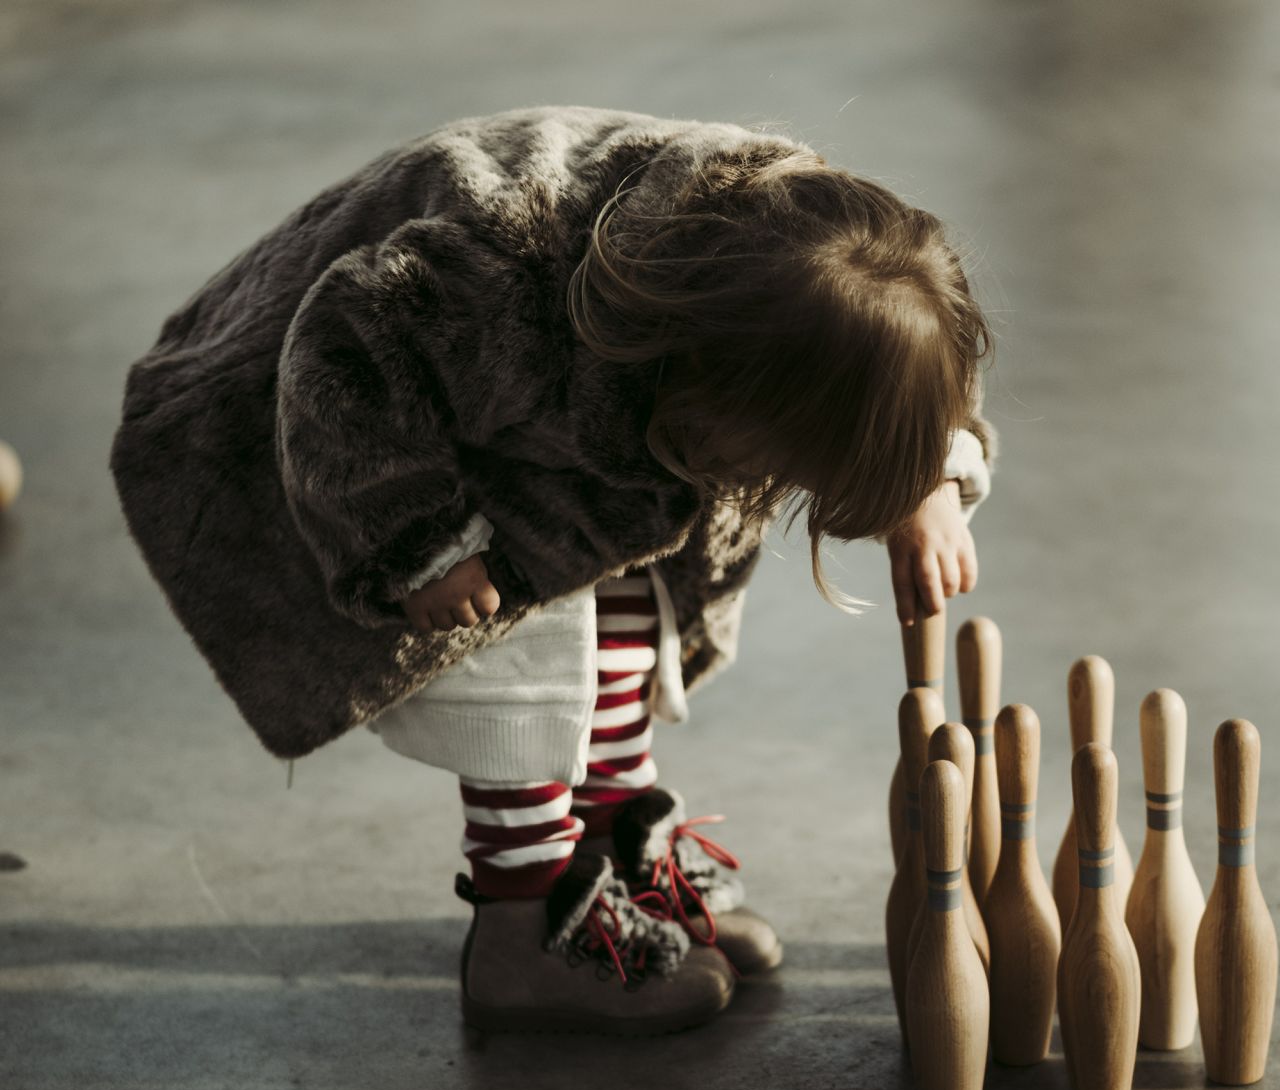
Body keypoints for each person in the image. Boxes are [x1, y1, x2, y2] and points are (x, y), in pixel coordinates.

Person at [110, 103, 996, 1038]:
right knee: (526, 673)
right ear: (721, 386)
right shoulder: (509, 279)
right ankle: (523, 927)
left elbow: (907, 368)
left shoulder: (815, 273)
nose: (771, 489)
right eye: (772, 465)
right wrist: (416, 540)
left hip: (541, 432)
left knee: (629, 625)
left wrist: (927, 477)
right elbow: (347, 351)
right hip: (330, 431)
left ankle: (609, 857)